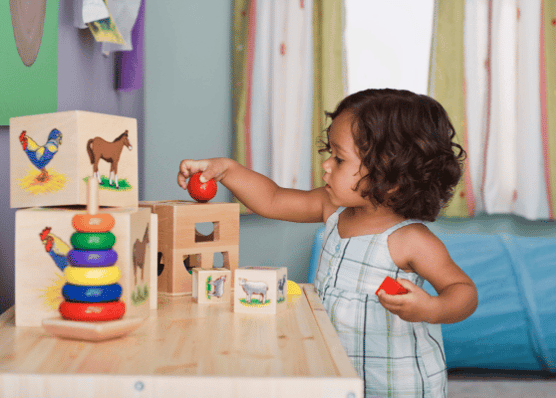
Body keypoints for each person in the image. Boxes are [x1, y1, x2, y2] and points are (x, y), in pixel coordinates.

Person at [177, 88, 478, 397]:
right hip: (336, 374)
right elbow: (272, 199)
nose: (326, 165)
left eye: (339, 158)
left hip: (398, 384)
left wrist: (431, 308)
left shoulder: (410, 240)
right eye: (329, 153)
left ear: (392, 175)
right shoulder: (333, 210)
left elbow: (463, 292)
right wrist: (227, 169)